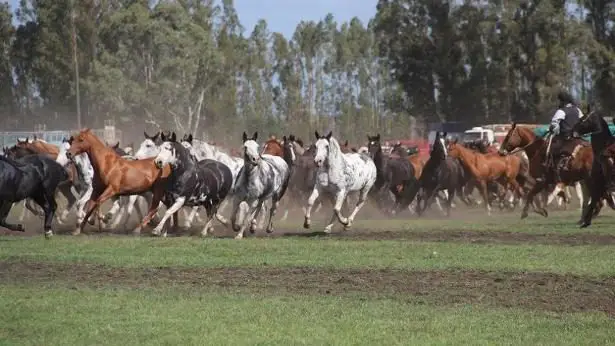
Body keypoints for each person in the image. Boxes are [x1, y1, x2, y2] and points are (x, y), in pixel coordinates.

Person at [548, 91, 584, 163]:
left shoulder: (561, 111)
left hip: (565, 139)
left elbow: (554, 125)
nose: (559, 103)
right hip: (579, 138)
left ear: (563, 101)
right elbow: (583, 121)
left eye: (560, 101)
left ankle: (550, 167)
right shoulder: (578, 110)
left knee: (549, 149)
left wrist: (552, 129)